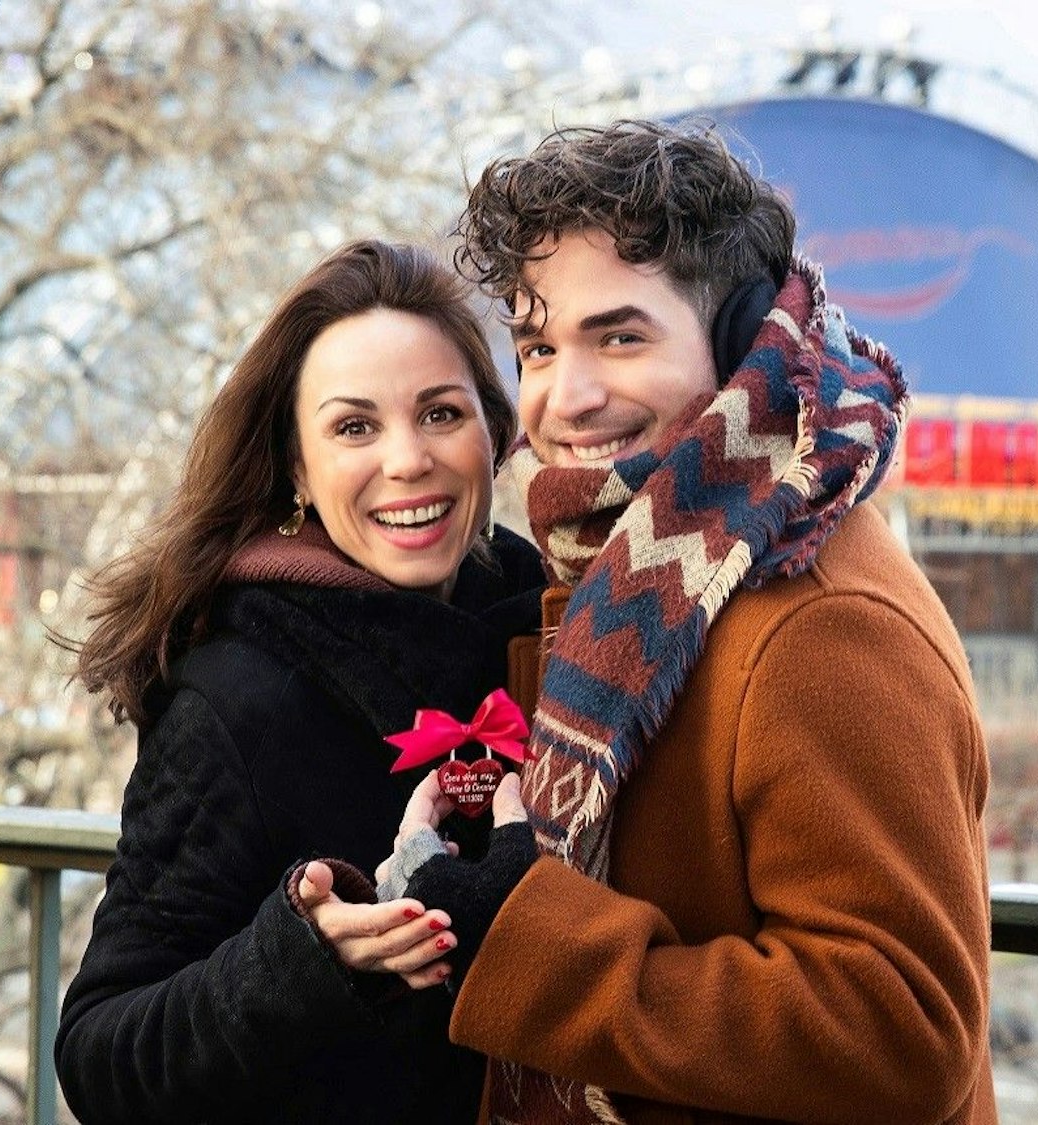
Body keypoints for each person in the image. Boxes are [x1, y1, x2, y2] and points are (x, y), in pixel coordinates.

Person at [393, 120, 997, 1123]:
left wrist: (529, 939)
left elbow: (901, 1030)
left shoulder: (817, 619)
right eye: (537, 346)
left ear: (737, 341)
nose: (564, 396)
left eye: (618, 337)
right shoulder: (645, 570)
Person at [53, 240, 547, 1124]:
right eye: (355, 427)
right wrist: (304, 957)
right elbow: (100, 1053)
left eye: (440, 413)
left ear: (494, 433)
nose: (407, 460)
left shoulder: (558, 632)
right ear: (296, 469)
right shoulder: (238, 696)